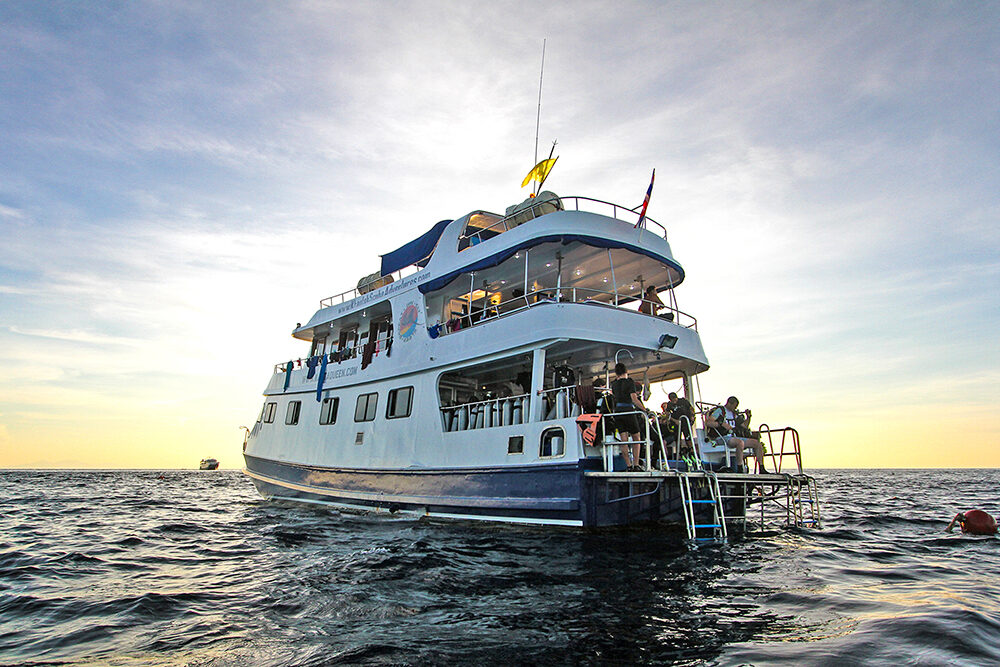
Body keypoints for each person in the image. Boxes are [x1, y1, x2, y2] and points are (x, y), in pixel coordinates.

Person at [706, 396, 767, 473]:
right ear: (729, 403)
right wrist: (720, 424)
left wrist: (748, 418)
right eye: (734, 406)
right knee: (740, 443)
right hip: (722, 437)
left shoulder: (734, 414)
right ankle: (739, 468)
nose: (735, 408)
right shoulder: (720, 411)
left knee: (757, 444)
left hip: (734, 437)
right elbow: (708, 423)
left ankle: (761, 468)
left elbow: (744, 426)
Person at [610, 362, 646, 471]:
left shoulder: (614, 384)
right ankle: (636, 464)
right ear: (626, 371)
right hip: (628, 410)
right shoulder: (630, 382)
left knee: (624, 439)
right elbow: (634, 399)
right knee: (636, 437)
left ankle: (628, 465)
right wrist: (644, 410)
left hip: (618, 412)